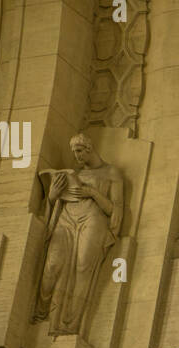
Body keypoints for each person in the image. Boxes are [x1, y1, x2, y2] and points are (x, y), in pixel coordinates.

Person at [33, 133, 124, 335]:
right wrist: (52, 196)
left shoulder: (111, 173)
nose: (77, 157)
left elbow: (115, 211)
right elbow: (52, 206)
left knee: (83, 266)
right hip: (66, 218)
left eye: (80, 151)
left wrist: (93, 193)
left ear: (90, 148)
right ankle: (41, 315)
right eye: (74, 153)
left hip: (93, 220)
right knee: (52, 266)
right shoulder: (74, 174)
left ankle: (69, 323)